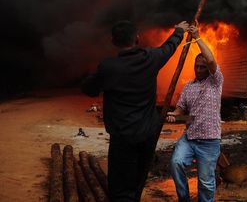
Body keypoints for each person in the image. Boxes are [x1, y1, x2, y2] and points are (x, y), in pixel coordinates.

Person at [82, 20, 189, 201]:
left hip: (122, 137)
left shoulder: (108, 67)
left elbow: (89, 89)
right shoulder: (150, 58)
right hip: (147, 135)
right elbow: (169, 47)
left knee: (119, 185)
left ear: (113, 41)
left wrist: (94, 77)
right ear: (137, 38)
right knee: (139, 180)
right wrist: (179, 31)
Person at [166, 24, 224, 202]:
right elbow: (181, 108)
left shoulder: (215, 82)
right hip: (189, 138)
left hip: (209, 141)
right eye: (196, 66)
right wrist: (174, 115)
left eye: (202, 67)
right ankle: (184, 199)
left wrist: (197, 37)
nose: (198, 69)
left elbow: (211, 60)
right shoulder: (188, 87)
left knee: (206, 183)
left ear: (208, 69)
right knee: (176, 163)